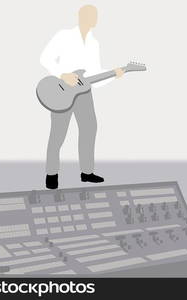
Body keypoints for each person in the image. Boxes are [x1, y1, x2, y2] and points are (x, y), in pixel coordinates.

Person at [40, 5, 124, 189]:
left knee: (89, 130)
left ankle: (87, 172)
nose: (93, 18)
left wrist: (115, 74)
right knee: (57, 134)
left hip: (84, 93)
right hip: (61, 93)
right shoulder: (64, 36)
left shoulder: (94, 43)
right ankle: (51, 173)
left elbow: (95, 76)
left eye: (94, 15)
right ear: (79, 16)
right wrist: (63, 74)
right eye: (89, 14)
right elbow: (45, 58)